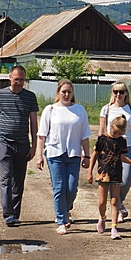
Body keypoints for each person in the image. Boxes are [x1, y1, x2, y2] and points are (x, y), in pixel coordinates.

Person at [0, 66, 39, 226]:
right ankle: (8, 215)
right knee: (6, 178)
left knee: (18, 181)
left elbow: (34, 123)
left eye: (22, 79)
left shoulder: (30, 97)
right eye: (16, 79)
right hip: (4, 142)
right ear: (10, 78)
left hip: (22, 144)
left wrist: (34, 146)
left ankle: (14, 213)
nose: (19, 82)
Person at [36, 79, 92, 235]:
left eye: (69, 92)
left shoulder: (79, 110)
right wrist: (39, 155)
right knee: (59, 188)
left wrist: (87, 155)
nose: (66, 95)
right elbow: (42, 135)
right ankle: (61, 220)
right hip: (55, 153)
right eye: (64, 92)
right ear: (58, 93)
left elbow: (84, 135)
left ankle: (66, 209)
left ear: (73, 93)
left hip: (73, 154)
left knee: (71, 188)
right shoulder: (50, 109)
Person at [88, 115, 131, 240]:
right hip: (103, 173)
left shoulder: (122, 141)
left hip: (116, 173)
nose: (115, 135)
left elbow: (121, 157)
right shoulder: (102, 139)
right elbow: (95, 155)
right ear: (110, 127)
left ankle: (114, 227)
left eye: (119, 133)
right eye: (114, 132)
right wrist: (90, 171)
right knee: (102, 201)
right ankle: (102, 217)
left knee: (115, 201)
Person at [98, 82, 131, 224]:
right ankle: (117, 207)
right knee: (112, 180)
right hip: (110, 150)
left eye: (121, 92)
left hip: (127, 147)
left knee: (126, 180)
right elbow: (102, 130)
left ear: (126, 93)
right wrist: (101, 150)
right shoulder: (106, 109)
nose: (118, 94)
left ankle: (119, 203)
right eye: (115, 91)